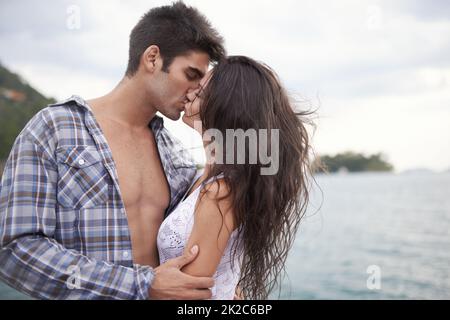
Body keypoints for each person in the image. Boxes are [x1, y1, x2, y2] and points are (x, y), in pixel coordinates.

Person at [0, 2, 225, 299]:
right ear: (153, 58)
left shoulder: (177, 157)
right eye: (191, 74)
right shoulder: (54, 130)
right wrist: (141, 286)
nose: (196, 90)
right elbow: (14, 249)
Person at [157, 56, 313, 299]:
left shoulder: (220, 192)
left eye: (201, 89)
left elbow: (188, 296)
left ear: (225, 103)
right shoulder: (209, 177)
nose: (190, 90)